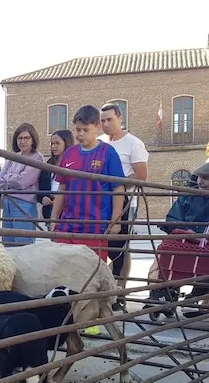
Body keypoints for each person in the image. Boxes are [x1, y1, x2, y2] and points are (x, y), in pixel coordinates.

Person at [156, 161, 209, 319]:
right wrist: (184, 229)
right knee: (167, 247)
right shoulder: (190, 194)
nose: (200, 182)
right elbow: (173, 217)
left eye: (206, 178)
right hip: (186, 237)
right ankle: (164, 292)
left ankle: (195, 296)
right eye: (198, 178)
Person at [49, 106, 126, 262]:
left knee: (91, 272)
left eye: (85, 129)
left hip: (95, 225)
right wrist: (53, 219)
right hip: (68, 224)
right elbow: (62, 188)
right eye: (77, 130)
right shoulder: (69, 153)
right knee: (62, 267)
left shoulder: (108, 153)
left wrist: (115, 222)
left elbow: (118, 188)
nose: (80, 134)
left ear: (97, 127)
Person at [99, 103, 149, 306]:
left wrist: (116, 182)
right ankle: (104, 289)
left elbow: (141, 175)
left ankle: (120, 292)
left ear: (120, 117)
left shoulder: (133, 143)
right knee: (101, 244)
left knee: (120, 247)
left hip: (125, 200)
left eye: (109, 119)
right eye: (102, 120)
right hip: (100, 200)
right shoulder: (100, 142)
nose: (105, 124)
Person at [0, 123, 44, 246]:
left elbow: (23, 182)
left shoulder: (37, 158)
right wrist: (14, 179)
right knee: (7, 244)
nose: (23, 141)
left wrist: (8, 178)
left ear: (33, 139)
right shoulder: (13, 156)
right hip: (7, 203)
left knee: (23, 245)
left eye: (26, 138)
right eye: (20, 138)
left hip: (24, 205)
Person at [38, 129, 74, 223]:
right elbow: (41, 188)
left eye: (57, 143)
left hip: (68, 210)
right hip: (49, 209)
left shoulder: (74, 163)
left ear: (66, 143)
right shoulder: (49, 164)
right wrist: (43, 198)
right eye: (52, 143)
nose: (54, 146)